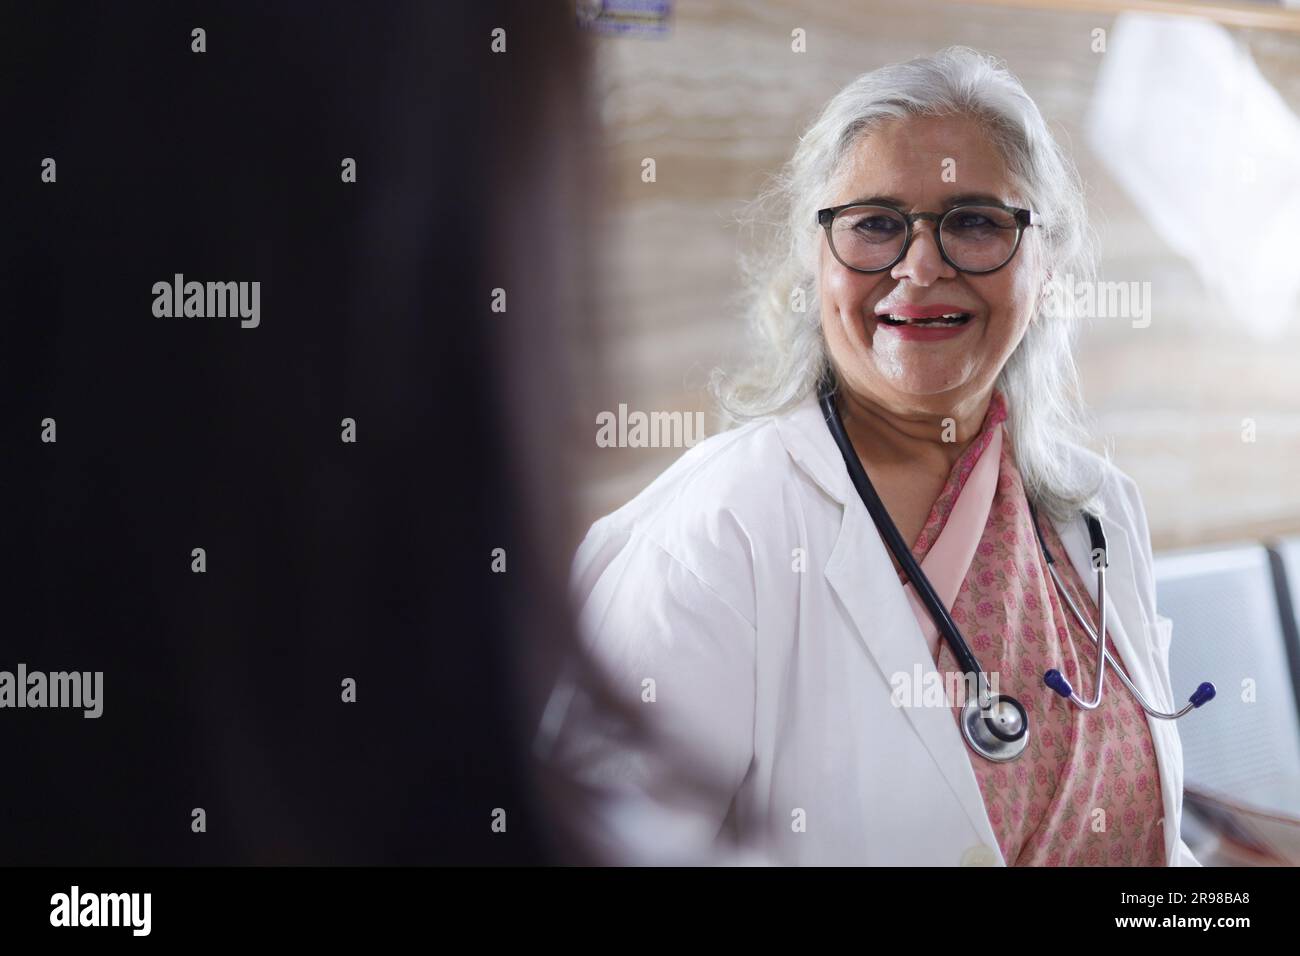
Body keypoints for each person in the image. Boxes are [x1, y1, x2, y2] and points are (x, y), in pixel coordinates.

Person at [542, 47, 1201, 866]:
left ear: (1047, 268)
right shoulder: (722, 530)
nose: (921, 267)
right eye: (876, 223)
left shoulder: (1097, 513)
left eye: (975, 221)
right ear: (817, 264)